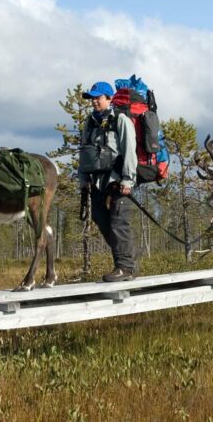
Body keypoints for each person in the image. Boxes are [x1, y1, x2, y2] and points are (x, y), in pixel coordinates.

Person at [78, 81, 139, 282]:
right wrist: (83, 179)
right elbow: (85, 153)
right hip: (97, 183)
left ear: (108, 98)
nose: (94, 101)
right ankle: (125, 263)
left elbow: (130, 150)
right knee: (101, 220)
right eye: (92, 98)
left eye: (98, 97)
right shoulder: (90, 122)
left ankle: (125, 268)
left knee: (118, 223)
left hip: (118, 181)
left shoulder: (121, 120)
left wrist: (128, 180)